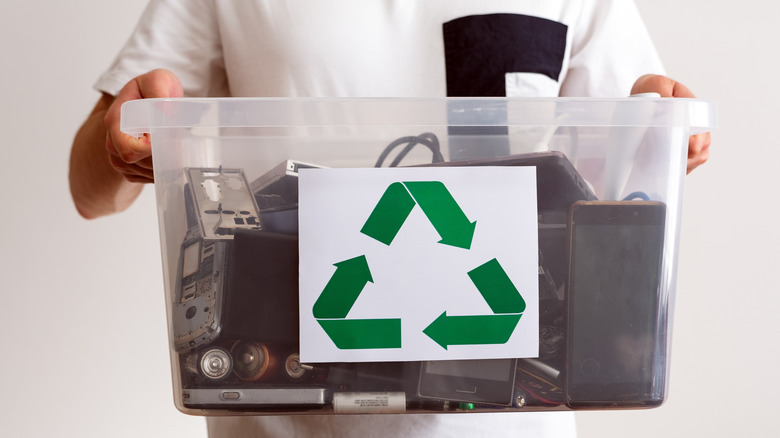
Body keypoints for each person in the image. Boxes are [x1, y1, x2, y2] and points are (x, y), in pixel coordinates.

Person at [69, 1, 711, 436]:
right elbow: (90, 188)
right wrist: (121, 144)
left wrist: (662, 133)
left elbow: (628, 179)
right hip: (280, 411)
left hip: (513, 415)